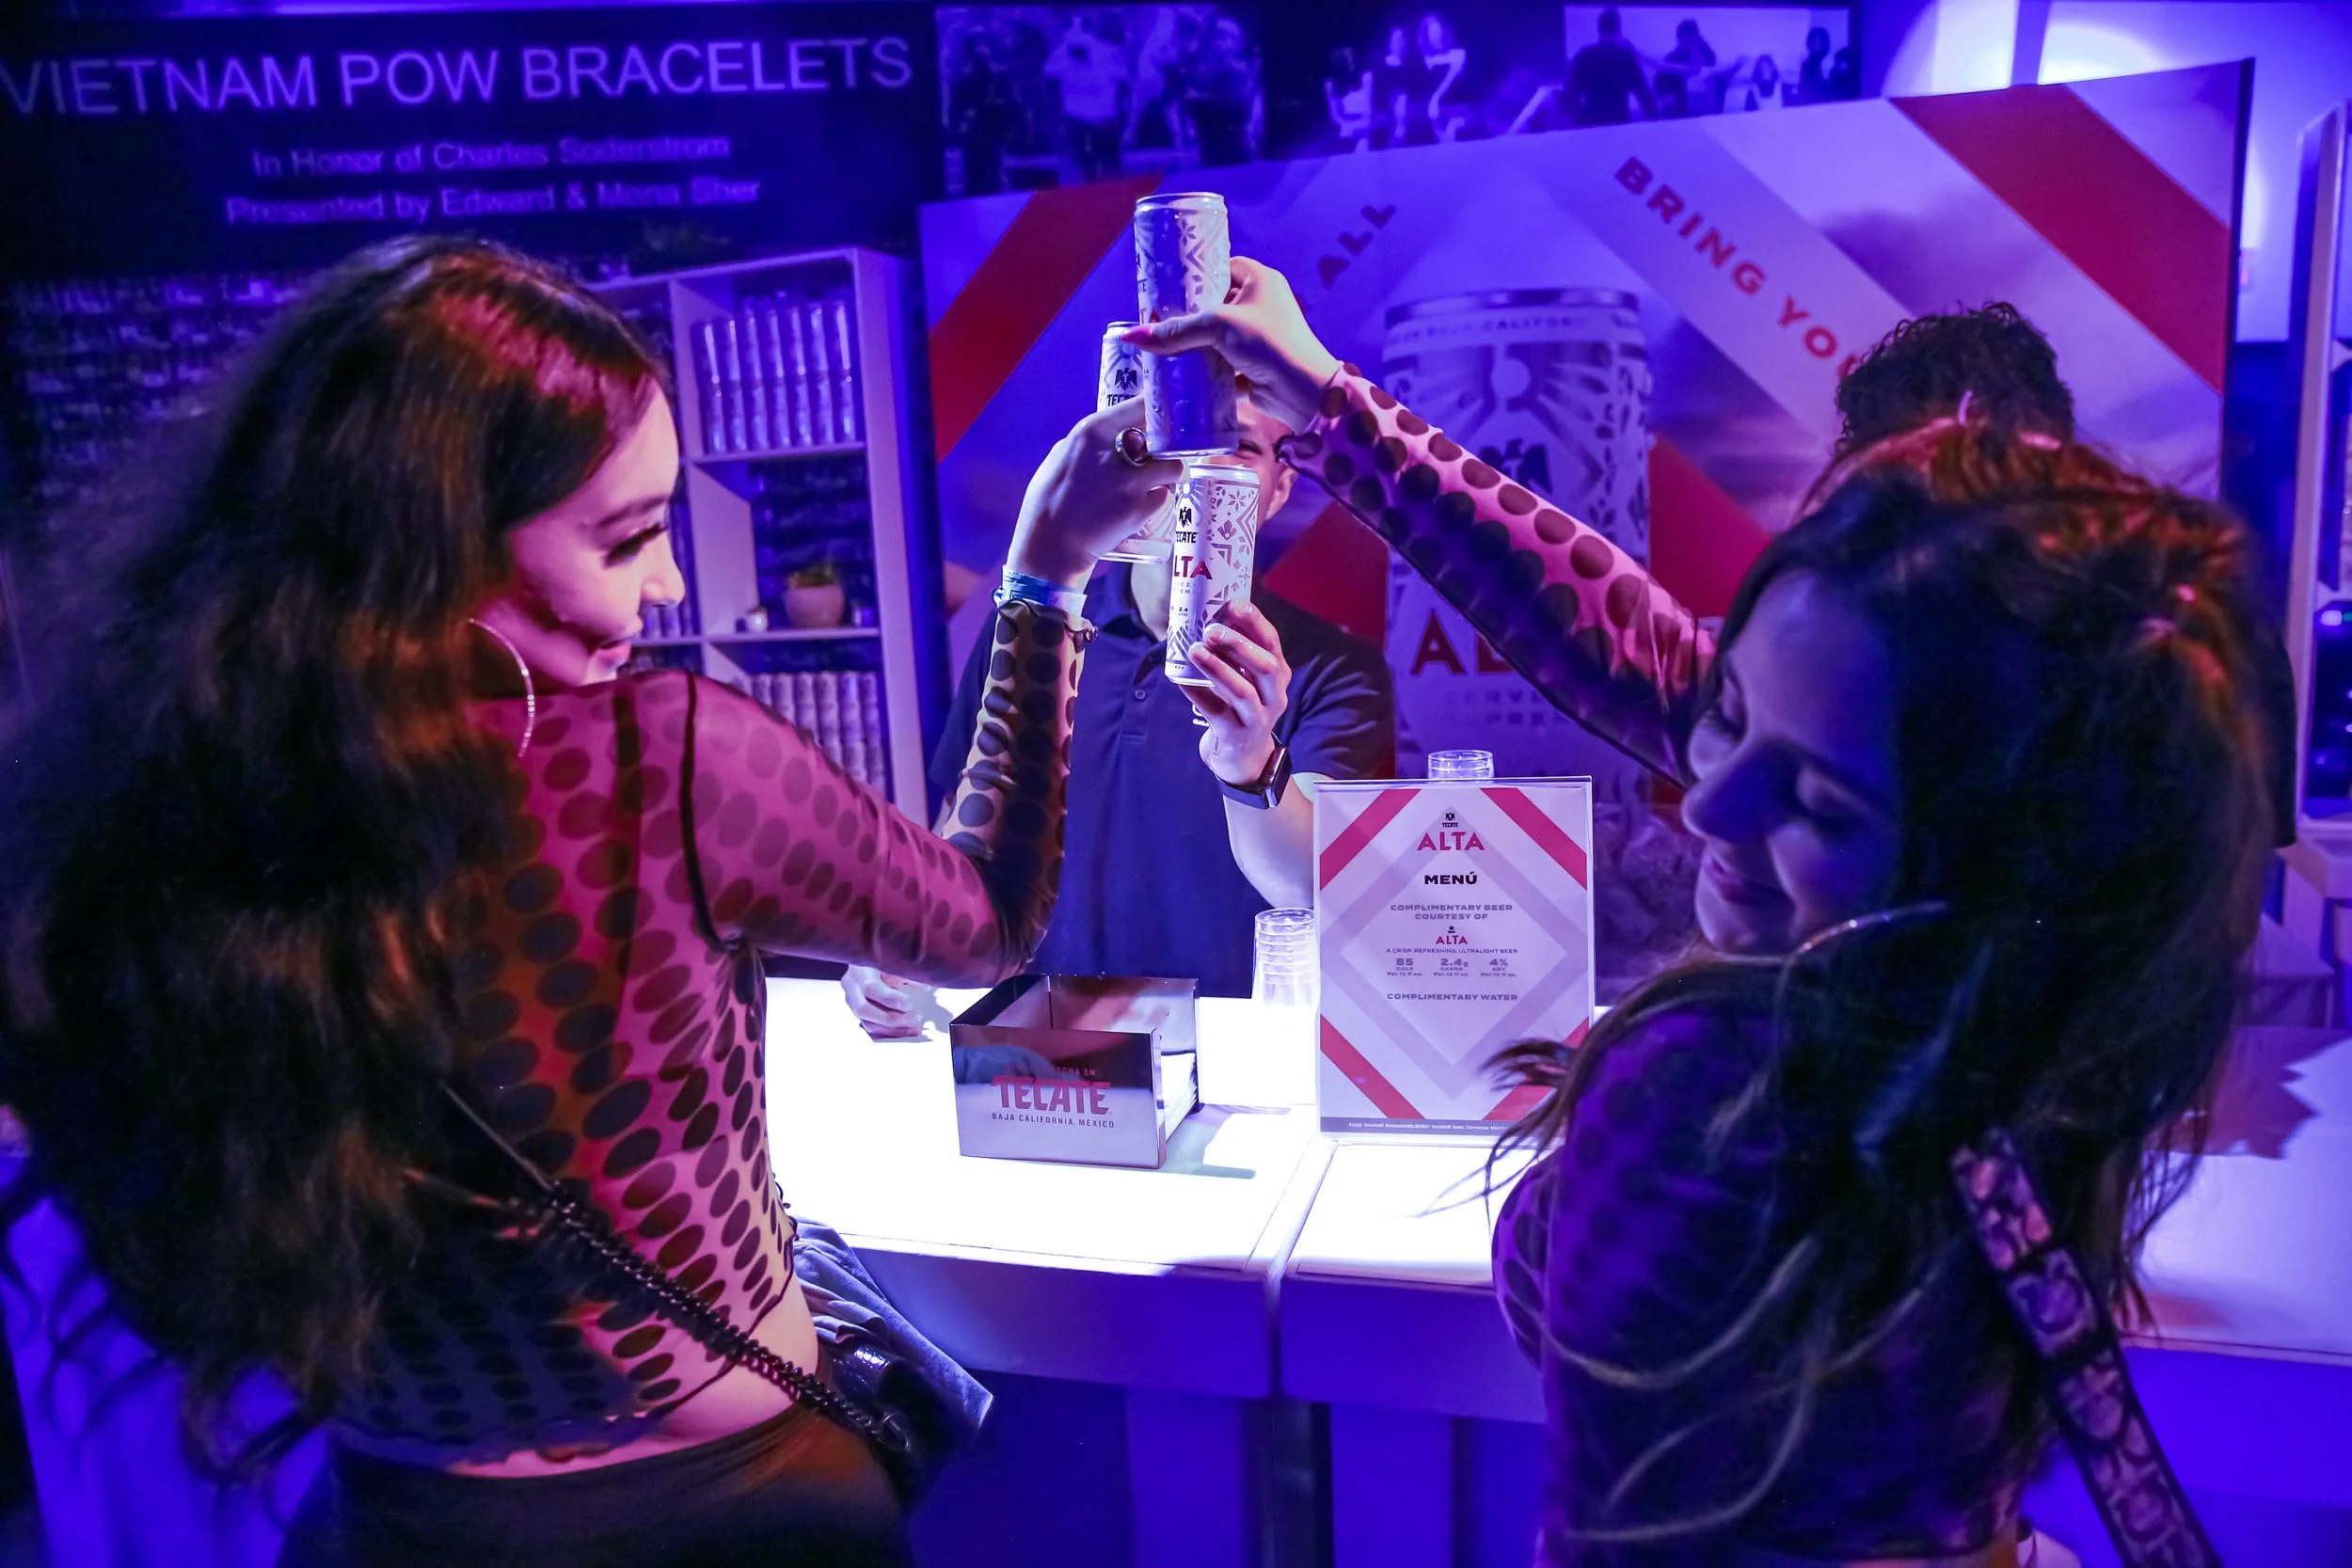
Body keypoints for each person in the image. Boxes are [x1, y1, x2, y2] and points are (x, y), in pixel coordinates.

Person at [0, 235, 1176, 1565]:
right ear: (428, 552)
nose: (668, 584)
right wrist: (1043, 575)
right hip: (735, 1514)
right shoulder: (659, 761)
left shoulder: (158, 806)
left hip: (393, 1521)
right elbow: (984, 917)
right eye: (627, 538)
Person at [1131, 261, 2269, 1563]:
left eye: (1820, 802)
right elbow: (1614, 631)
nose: (1710, 804)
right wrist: (1333, 408)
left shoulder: (1706, 1081)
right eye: (1731, 715)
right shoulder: (2054, 1012)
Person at [843, 395, 1392, 1033]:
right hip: (1039, 1045)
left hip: (1229, 1047)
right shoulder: (1038, 628)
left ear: (1279, 487)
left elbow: (1310, 885)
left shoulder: (1333, 668)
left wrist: (1249, 759)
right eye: (1179, 439)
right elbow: (967, 830)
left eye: (1238, 445)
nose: (1199, 467)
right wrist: (903, 939)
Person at [1042, 13, 1132, 183]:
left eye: (1081, 48)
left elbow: (1123, 85)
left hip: (1106, 117)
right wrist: (1057, 113)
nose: (1078, 53)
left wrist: (1123, 113)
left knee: (1110, 166)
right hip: (1076, 117)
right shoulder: (1059, 55)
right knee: (1082, 165)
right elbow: (1049, 84)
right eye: (1074, 49)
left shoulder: (1109, 53)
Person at [946, 31, 1019, 198]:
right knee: (985, 176)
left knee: (983, 176)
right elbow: (1012, 105)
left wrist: (955, 126)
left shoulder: (971, 78)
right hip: (983, 134)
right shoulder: (993, 77)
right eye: (978, 45)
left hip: (982, 134)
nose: (982, 50)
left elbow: (954, 111)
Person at [1568, 8, 1655, 127]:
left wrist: (1576, 119)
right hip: (1619, 124)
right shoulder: (1626, 57)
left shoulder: (1583, 56)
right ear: (1619, 30)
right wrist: (1653, 112)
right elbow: (1643, 94)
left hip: (1590, 125)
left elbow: (1570, 95)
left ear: (1599, 29)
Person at [1652, 18, 1716, 118]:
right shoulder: (1672, 57)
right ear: (1679, 38)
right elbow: (1663, 72)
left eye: (1691, 35)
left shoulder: (1703, 52)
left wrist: (1699, 45)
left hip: (1694, 97)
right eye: (1684, 35)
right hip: (1676, 99)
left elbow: (1711, 61)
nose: (1687, 39)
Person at [1796, 25, 1834, 105]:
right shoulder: (1805, 65)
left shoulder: (1832, 62)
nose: (1816, 44)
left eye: (1819, 41)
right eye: (1813, 41)